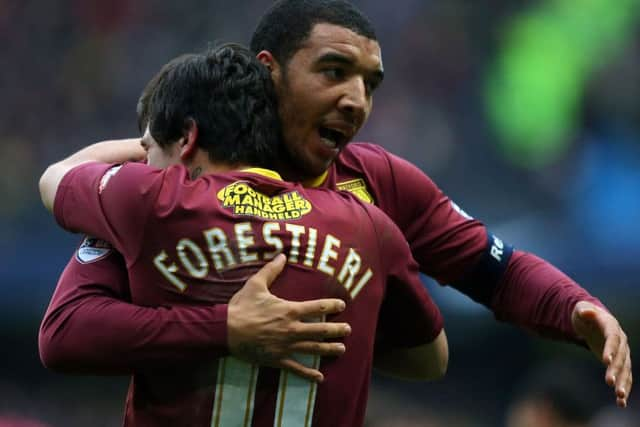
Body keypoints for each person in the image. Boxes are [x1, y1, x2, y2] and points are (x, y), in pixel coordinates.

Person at [40, 0, 632, 408]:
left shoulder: (375, 184)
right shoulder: (169, 183)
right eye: (334, 71)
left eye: (370, 83)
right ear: (269, 72)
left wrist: (573, 305)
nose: (355, 100)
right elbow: (69, 332)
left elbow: (492, 269)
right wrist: (223, 328)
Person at [39, 44, 448, 427]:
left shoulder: (152, 202)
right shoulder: (368, 227)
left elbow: (56, 176)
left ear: (187, 138)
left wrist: (219, 329)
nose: (146, 162)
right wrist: (328, 333)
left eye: (150, 149)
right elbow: (430, 360)